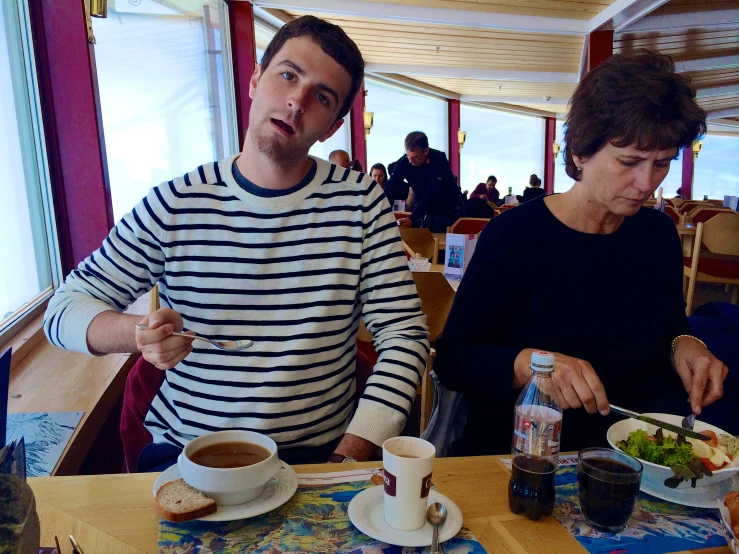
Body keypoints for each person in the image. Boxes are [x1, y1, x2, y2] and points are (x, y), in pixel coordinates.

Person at [43, 16, 429, 469]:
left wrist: (349, 456)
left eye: (321, 97)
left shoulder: (361, 203)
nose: (296, 101)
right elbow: (63, 309)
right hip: (187, 454)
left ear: (331, 127)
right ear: (254, 80)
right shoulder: (175, 203)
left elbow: (404, 335)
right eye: (288, 74)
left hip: (318, 457)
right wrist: (138, 336)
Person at [433, 50, 728, 456]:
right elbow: (454, 361)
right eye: (629, 161)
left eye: (662, 163)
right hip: (522, 455)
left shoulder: (657, 235)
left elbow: (670, 327)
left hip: (632, 455)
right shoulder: (514, 236)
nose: (646, 183)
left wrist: (686, 344)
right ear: (580, 153)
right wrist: (533, 365)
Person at [384, 131, 463, 232]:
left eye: (415, 157)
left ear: (426, 151)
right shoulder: (405, 161)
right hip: (422, 210)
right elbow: (391, 185)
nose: (411, 161)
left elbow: (431, 194)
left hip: (447, 212)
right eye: (408, 156)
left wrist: (411, 218)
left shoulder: (439, 160)